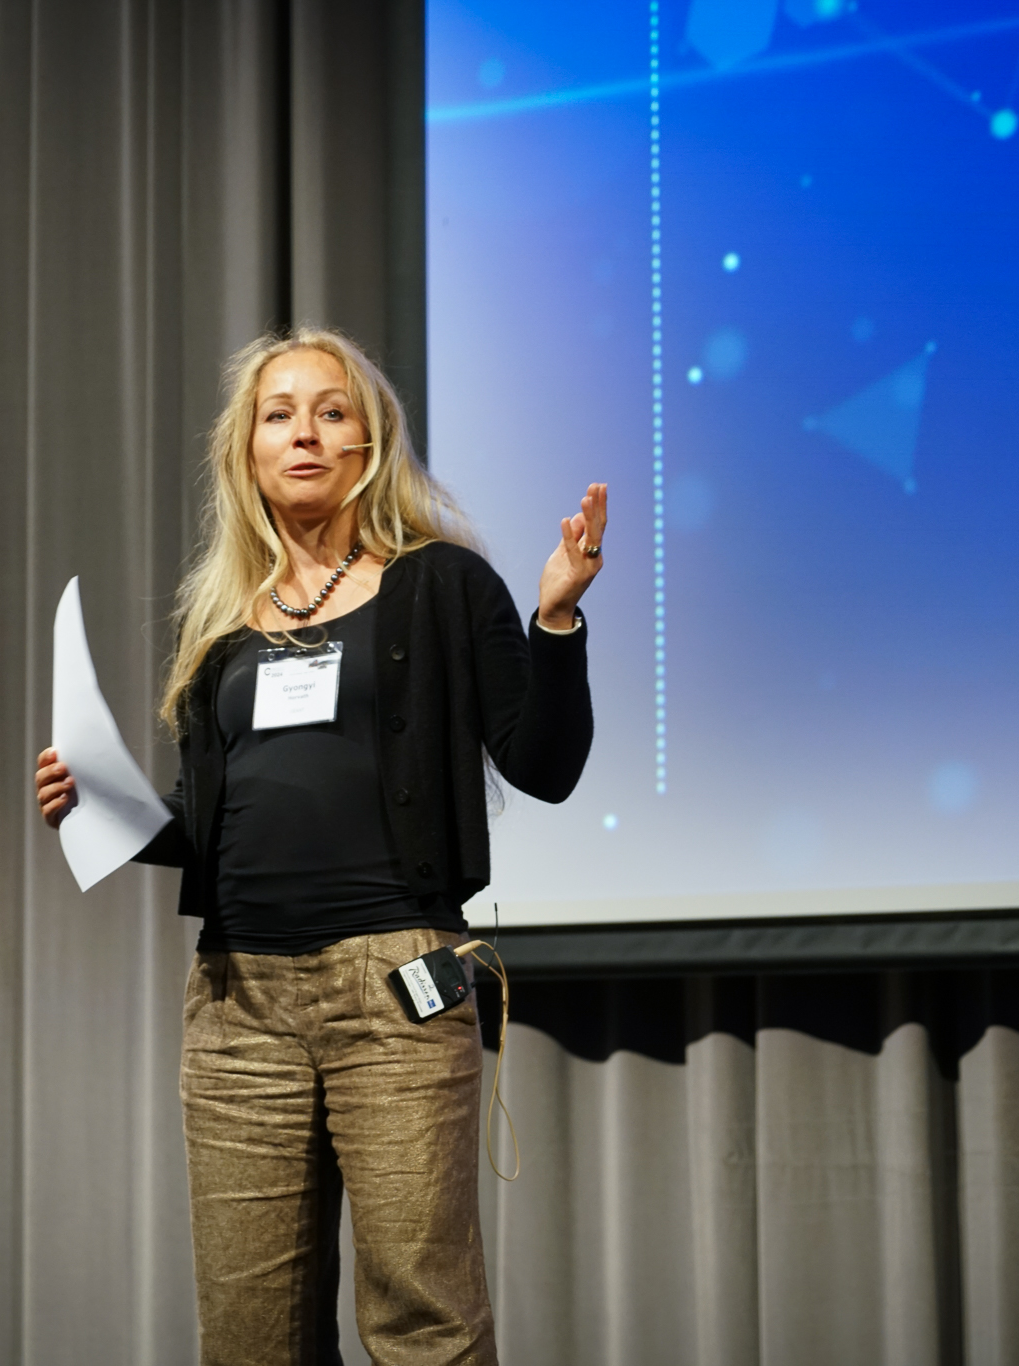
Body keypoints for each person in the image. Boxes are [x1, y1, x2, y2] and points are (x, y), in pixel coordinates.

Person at [34, 326, 605, 1366]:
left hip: (395, 988)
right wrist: (103, 808)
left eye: (330, 411)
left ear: (370, 442)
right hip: (236, 1007)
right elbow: (211, 823)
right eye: (278, 414)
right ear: (246, 449)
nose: (303, 432)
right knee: (250, 1337)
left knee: (422, 1321)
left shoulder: (442, 584)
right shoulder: (222, 622)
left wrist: (556, 622)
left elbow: (545, 765)